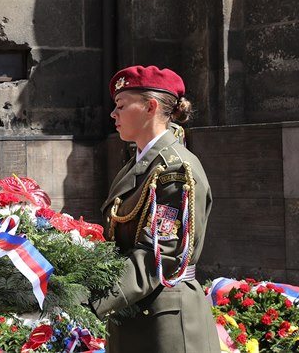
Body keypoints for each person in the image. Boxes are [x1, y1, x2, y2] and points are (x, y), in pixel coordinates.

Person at [90, 65, 220, 353]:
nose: (113, 114)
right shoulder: (140, 164)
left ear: (150, 107)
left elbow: (160, 254)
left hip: (166, 323)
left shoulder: (174, 168)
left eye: (121, 106)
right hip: (135, 312)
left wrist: (90, 298)